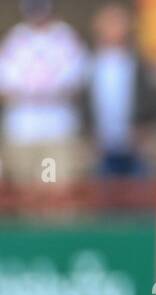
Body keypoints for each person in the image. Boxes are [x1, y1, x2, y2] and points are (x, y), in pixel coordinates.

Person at [0, 0, 88, 191]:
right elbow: (6, 86)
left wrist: (37, 92)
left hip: (56, 130)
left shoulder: (66, 37)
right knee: (24, 191)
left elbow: (74, 83)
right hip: (23, 131)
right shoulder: (16, 39)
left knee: (53, 188)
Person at [87, 3, 156, 179]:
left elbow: (153, 101)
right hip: (102, 148)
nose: (113, 29)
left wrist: (143, 130)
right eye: (108, 23)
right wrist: (90, 134)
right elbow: (83, 103)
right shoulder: (90, 65)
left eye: (117, 22)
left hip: (135, 148)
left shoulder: (139, 64)